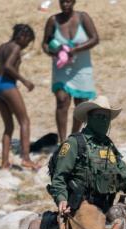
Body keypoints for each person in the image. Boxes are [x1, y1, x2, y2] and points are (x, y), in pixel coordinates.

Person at [49, 95, 126, 217]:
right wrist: (61, 199)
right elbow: (59, 177)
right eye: (99, 116)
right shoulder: (74, 143)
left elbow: (125, 177)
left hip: (107, 209)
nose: (103, 120)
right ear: (89, 118)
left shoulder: (108, 146)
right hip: (81, 211)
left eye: (106, 117)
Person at [42, 0, 99, 141]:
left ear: (74, 2)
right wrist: (53, 53)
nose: (65, 5)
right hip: (62, 67)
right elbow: (45, 43)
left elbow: (95, 38)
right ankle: (62, 141)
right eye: (62, 2)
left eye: (68, 1)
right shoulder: (53, 20)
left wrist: (75, 50)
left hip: (82, 68)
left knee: (81, 104)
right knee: (62, 101)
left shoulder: (83, 17)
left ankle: (73, 138)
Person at [0, 24, 39, 170]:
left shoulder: (0, 47)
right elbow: (8, 66)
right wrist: (24, 81)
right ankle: (26, 159)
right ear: (22, 36)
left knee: (9, 126)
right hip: (7, 85)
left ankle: (4, 163)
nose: (27, 45)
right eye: (28, 41)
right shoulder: (15, 48)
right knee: (24, 121)